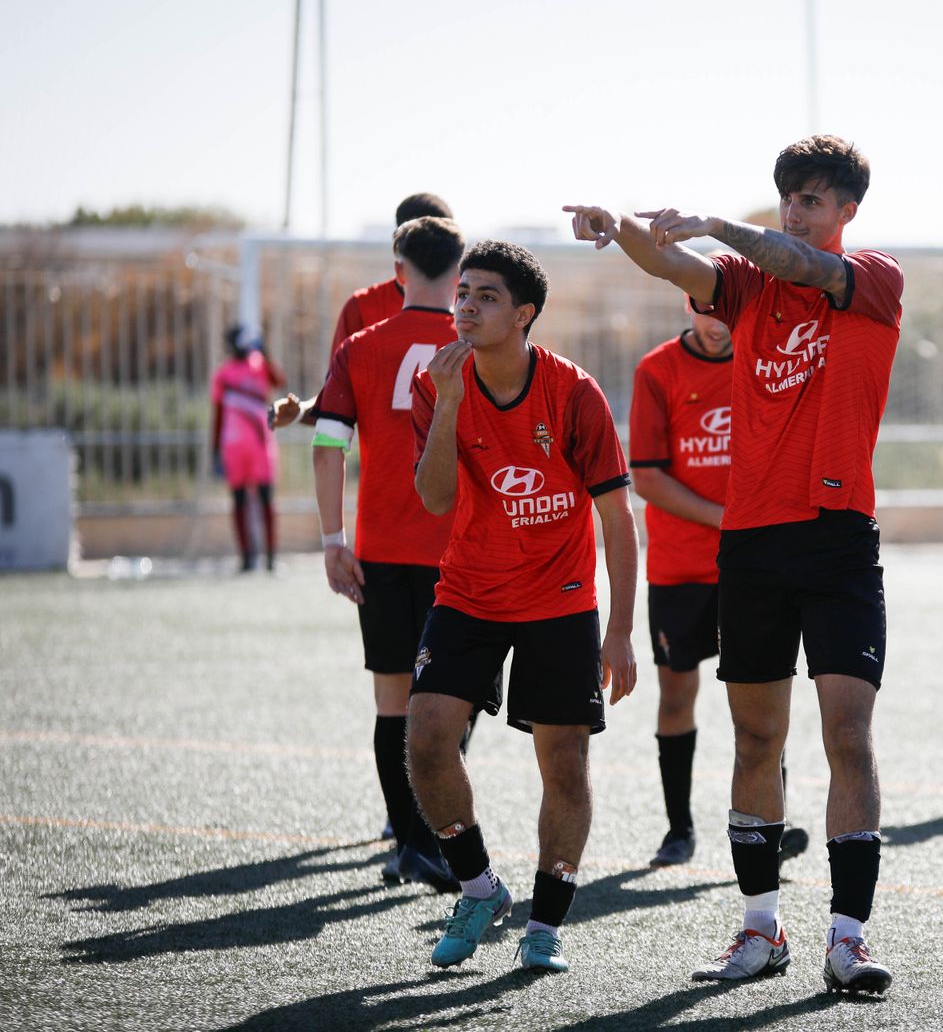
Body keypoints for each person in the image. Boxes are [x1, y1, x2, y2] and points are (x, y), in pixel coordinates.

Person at [565, 133, 900, 995]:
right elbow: (667, 263)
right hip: (750, 542)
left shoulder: (873, 278)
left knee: (848, 736)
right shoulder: (743, 289)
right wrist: (623, 227)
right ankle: (760, 929)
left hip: (838, 542)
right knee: (757, 736)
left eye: (815, 199)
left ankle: (848, 939)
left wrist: (719, 224)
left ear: (847, 212)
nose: (798, 210)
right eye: (789, 196)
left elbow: (799, 261)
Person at [408, 240, 638, 974]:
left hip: (559, 600)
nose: (466, 306)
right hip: (470, 591)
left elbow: (618, 517)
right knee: (426, 740)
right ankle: (478, 887)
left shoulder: (573, 393)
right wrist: (448, 404)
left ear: (525, 313)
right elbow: (436, 499)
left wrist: (622, 630)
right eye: (463, 293)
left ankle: (546, 923)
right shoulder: (434, 383)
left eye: (486, 297)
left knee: (565, 764)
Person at [311, 215, 464, 892]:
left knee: (392, 701)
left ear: (398, 270)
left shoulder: (361, 345)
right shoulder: (476, 345)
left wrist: (331, 541)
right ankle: (432, 838)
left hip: (381, 550)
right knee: (455, 703)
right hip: (464, 554)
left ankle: (410, 842)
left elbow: (326, 447)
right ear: (460, 275)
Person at [629, 305, 809, 868]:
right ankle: (678, 830)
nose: (716, 322)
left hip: (754, 566)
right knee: (678, 694)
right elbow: (648, 477)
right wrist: (727, 516)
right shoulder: (657, 370)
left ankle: (769, 825)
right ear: (685, 303)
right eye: (705, 310)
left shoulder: (766, 363)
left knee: (761, 698)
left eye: (725, 311)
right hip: (680, 567)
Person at [272, 192, 454, 429]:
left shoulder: (472, 308)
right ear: (398, 246)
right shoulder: (364, 307)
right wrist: (300, 412)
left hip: (455, 466)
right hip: (383, 463)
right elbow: (335, 399)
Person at [210, 325, 286, 572]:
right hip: (234, 447)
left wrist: (267, 353)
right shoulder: (223, 374)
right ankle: (246, 558)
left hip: (261, 444)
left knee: (266, 499)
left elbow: (279, 381)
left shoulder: (260, 363)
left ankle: (271, 557)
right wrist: (215, 450)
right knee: (239, 501)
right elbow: (218, 414)